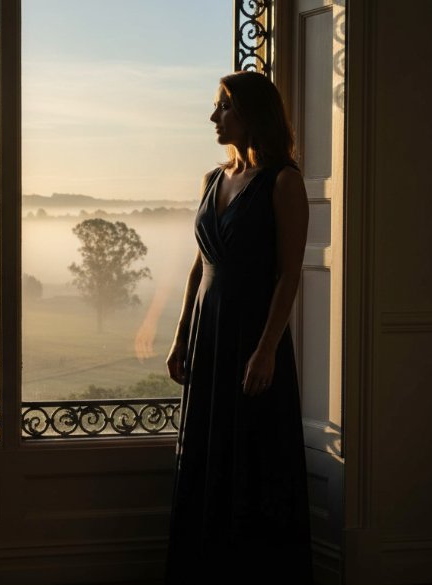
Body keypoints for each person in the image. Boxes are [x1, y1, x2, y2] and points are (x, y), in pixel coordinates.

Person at [163, 70, 313, 583]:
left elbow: (290, 272)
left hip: (252, 335)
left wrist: (267, 348)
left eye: (223, 106)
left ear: (252, 114)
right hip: (208, 332)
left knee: (254, 457)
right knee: (208, 452)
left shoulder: (284, 181)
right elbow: (199, 263)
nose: (213, 116)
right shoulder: (212, 180)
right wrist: (182, 333)